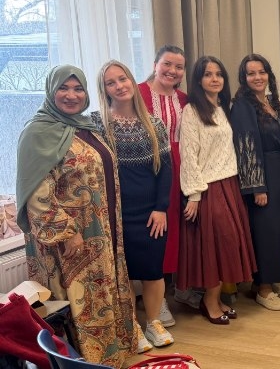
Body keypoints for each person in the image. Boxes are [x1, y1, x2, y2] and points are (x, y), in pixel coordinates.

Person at [16, 65, 136, 367]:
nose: (72, 95)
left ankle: (111, 357)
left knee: (100, 296)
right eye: (64, 88)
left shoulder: (85, 127)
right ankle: (83, 362)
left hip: (101, 231)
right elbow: (37, 195)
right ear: (50, 91)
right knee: (80, 303)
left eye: (78, 89)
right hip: (69, 243)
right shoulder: (38, 132)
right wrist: (67, 232)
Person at [92, 60, 176, 351]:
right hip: (115, 215)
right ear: (104, 90)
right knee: (123, 273)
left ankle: (153, 322)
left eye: (123, 78)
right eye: (111, 82)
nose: (119, 86)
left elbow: (165, 170)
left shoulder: (154, 124)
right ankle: (133, 328)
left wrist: (161, 208)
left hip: (151, 213)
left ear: (132, 80)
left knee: (153, 271)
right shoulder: (97, 124)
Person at [178, 56, 257, 325]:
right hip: (208, 188)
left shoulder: (223, 108)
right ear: (198, 80)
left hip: (230, 184)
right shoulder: (191, 111)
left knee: (230, 244)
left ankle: (218, 299)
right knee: (218, 246)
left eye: (219, 74)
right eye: (208, 74)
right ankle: (209, 301)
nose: (214, 79)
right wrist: (194, 194)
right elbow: (189, 154)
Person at [138, 45, 202, 323]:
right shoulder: (137, 94)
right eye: (167, 64)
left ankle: (182, 289)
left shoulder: (185, 99)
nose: (172, 71)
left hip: (181, 167)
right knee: (155, 232)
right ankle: (157, 299)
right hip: (148, 167)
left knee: (181, 229)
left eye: (178, 67)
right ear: (155, 64)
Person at [230, 54, 280, 311]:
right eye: (251, 73)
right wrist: (257, 186)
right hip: (262, 174)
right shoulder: (242, 105)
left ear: (269, 74)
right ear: (243, 78)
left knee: (276, 229)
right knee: (266, 231)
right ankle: (264, 290)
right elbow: (245, 147)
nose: (257, 77)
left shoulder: (271, 101)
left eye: (261, 72)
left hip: (279, 171)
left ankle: (264, 281)